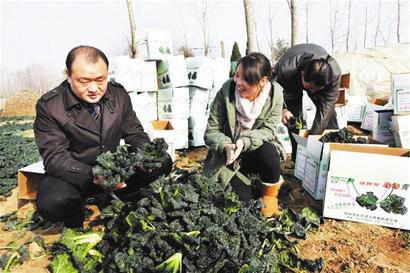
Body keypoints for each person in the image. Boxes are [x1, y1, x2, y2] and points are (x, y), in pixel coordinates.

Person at [34, 45, 172, 228]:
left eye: (100, 79)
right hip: (77, 173)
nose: (93, 88)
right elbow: (55, 156)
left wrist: (146, 156)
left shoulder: (118, 94)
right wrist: (92, 175)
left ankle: (121, 196)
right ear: (68, 75)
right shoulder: (50, 106)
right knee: (53, 202)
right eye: (84, 81)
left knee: (161, 161)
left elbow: (135, 133)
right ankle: (78, 213)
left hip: (115, 169)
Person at [203, 52, 286, 218]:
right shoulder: (226, 92)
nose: (238, 82)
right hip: (230, 157)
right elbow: (211, 131)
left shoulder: (275, 94)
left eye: (246, 79)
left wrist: (245, 142)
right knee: (242, 203)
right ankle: (243, 179)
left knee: (269, 152)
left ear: (263, 81)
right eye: (237, 75)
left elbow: (269, 130)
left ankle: (270, 194)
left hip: (255, 150)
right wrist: (226, 145)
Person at [274, 43, 341, 161]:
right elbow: (272, 89)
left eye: (316, 89)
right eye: (310, 88)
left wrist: (313, 140)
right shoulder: (285, 69)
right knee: (293, 120)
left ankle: (332, 155)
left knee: (329, 117)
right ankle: (298, 158)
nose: (312, 92)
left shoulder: (333, 75)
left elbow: (326, 108)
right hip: (291, 82)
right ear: (302, 75)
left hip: (317, 81)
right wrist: (283, 109)